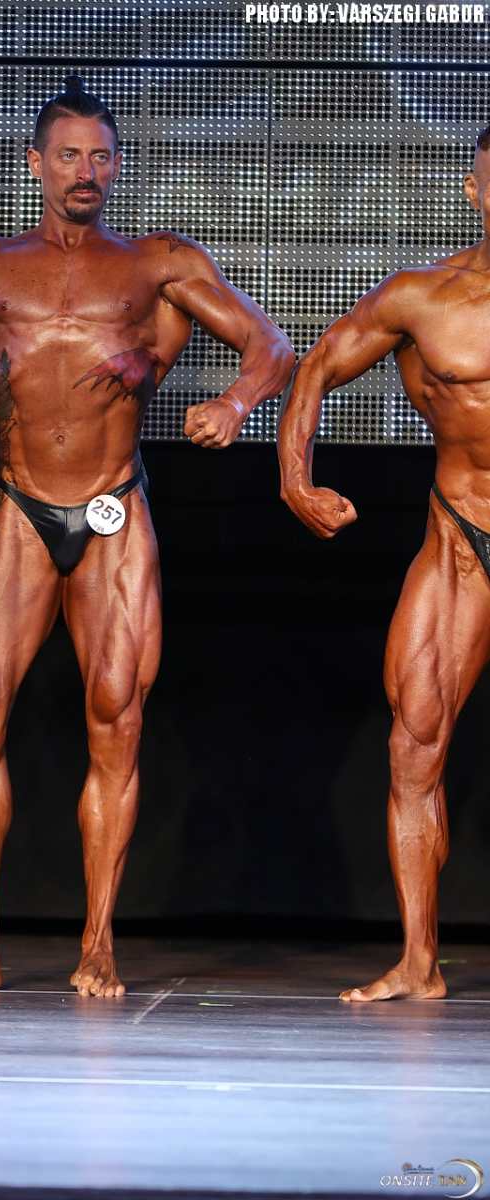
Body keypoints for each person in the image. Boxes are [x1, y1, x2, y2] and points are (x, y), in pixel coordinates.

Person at [0, 76, 294, 998]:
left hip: (115, 507)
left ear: (117, 167)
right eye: (69, 155)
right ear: (35, 164)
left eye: (101, 156)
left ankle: (97, 944)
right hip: (18, 507)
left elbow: (270, 344)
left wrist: (237, 403)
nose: (86, 171)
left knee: (116, 717)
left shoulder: (157, 265)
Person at [277, 125, 490, 1002]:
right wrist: (294, 478)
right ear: (475, 191)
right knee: (413, 742)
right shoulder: (420, 298)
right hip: (461, 536)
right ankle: (417, 961)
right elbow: (316, 367)